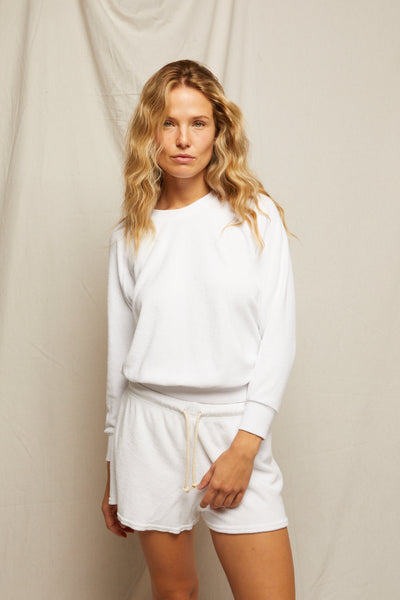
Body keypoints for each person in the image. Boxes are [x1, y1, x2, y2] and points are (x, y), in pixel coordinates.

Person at [101, 58, 297, 600]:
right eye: (168, 123)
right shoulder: (130, 235)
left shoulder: (255, 217)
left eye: (198, 123)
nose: (183, 139)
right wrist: (114, 465)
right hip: (148, 431)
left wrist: (245, 447)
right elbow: (119, 359)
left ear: (218, 131)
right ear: (150, 133)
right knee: (175, 594)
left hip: (233, 428)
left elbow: (279, 340)